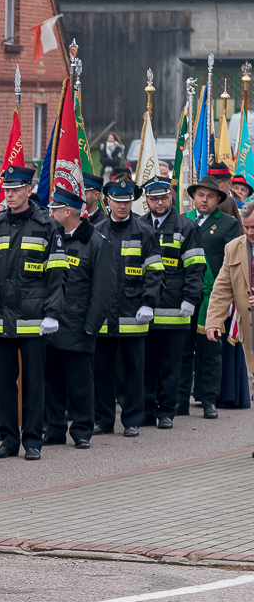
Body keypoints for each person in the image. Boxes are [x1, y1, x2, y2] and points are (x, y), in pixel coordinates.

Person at [0, 164, 66, 460]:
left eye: (15, 190)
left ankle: (33, 441)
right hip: (1, 317)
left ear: (29, 190)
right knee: (4, 384)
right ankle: (8, 439)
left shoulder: (47, 225)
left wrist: (53, 313)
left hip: (34, 317)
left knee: (34, 383)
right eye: (7, 190)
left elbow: (57, 275)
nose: (10, 195)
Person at [91, 175, 163, 437]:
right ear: (107, 200)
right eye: (118, 201)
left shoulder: (145, 232)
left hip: (134, 314)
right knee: (102, 371)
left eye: (127, 201)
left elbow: (155, 271)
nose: (123, 206)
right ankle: (103, 419)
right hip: (104, 315)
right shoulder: (96, 230)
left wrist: (148, 303)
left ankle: (132, 419)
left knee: (134, 371)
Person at [43, 187, 114, 448]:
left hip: (78, 325)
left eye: (54, 210)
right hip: (51, 325)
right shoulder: (51, 237)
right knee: (52, 383)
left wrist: (91, 325)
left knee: (80, 384)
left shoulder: (96, 242)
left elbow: (103, 288)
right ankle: (54, 429)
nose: (49, 213)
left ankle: (83, 430)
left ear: (67, 212)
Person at [138, 176, 205, 429]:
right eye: (154, 198)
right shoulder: (139, 225)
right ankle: (146, 410)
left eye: (164, 198)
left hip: (176, 309)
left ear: (171, 197)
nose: (159, 202)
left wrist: (190, 298)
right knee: (146, 364)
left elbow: (195, 268)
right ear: (147, 200)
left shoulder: (186, 227)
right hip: (145, 310)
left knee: (171, 365)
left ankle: (167, 410)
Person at [178, 175, 243, 418]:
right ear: (193, 197)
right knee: (183, 350)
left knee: (211, 350)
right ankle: (180, 401)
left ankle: (209, 401)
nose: (205, 200)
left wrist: (228, 297)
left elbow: (233, 263)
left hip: (212, 297)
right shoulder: (183, 220)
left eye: (210, 196)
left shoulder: (228, 224)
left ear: (218, 199)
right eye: (201, 195)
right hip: (185, 295)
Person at [205, 202, 254, 377]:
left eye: (253, 227)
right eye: (246, 227)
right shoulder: (233, 248)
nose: (249, 232)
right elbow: (222, 289)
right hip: (249, 331)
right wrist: (213, 322)